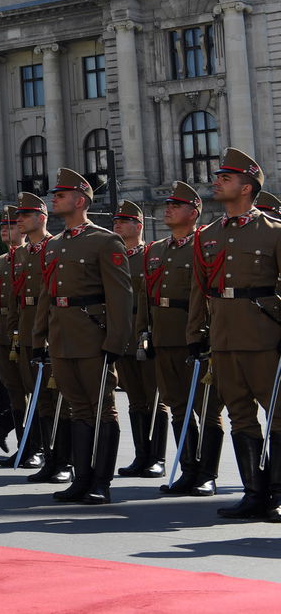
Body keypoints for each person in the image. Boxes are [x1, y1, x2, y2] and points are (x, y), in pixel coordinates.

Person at [188, 148, 281, 521]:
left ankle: (276, 493)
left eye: (226, 178)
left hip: (264, 336)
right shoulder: (208, 235)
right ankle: (253, 493)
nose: (217, 182)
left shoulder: (273, 231)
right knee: (241, 417)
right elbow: (200, 289)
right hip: (224, 338)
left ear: (247, 188)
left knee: (277, 416)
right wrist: (195, 333)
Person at [30, 168, 132, 505]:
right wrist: (39, 336)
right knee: (76, 409)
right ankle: (82, 478)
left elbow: (120, 296)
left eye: (60, 195)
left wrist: (115, 342)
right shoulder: (55, 244)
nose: (54, 199)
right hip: (62, 336)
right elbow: (48, 293)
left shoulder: (105, 240)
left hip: (92, 335)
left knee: (102, 408)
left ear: (80, 200)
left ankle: (100, 482)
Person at [145, 182, 223, 497]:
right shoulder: (158, 249)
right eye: (168, 205)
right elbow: (146, 295)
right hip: (164, 336)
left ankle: (207, 474)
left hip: (196, 337)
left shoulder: (204, 245)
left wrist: (206, 333)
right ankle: (189, 469)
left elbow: (208, 294)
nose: (168, 209)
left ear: (193, 212)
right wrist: (144, 332)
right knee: (178, 406)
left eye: (175, 205)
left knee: (207, 408)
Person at [112, 202, 166, 478]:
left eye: (124, 221)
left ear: (138, 225)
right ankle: (141, 455)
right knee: (134, 400)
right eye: (116, 221)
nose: (117, 225)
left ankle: (157, 457)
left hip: (145, 333)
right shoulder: (114, 257)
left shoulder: (151, 255)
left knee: (154, 398)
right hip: (123, 333)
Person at [13, 194, 59, 478]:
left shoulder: (54, 247)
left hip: (52, 328)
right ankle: (44, 453)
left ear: (42, 218)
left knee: (53, 397)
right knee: (37, 395)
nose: (19, 219)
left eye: (25, 215)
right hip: (27, 328)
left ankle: (59, 458)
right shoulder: (20, 253)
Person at [0, 204, 28, 464]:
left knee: (33, 390)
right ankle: (23, 444)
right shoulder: (0, 262)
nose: (5, 229)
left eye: (11, 225)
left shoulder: (30, 256)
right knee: (13, 389)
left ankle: (36, 447)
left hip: (24, 330)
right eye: (3, 225)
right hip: (3, 333)